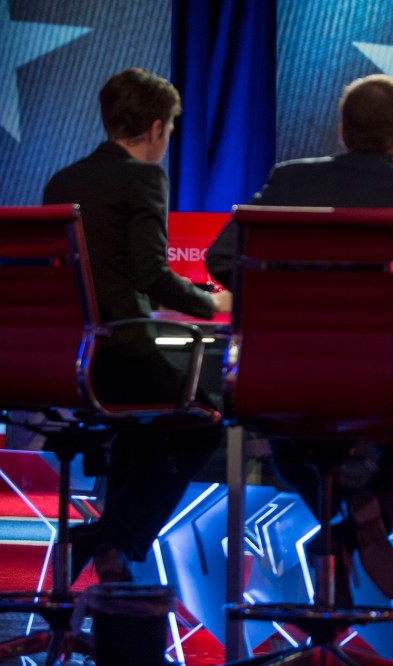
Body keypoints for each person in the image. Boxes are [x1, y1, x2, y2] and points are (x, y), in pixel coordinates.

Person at [205, 74, 393, 602]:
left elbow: (220, 260)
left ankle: (344, 528)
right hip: (380, 386)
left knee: (295, 447)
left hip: (280, 382)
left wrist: (280, 301)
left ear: (342, 130)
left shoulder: (288, 181)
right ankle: (356, 525)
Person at [42, 67, 230, 582]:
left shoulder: (63, 180)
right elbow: (152, 273)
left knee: (142, 433)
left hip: (67, 363)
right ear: (154, 128)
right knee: (203, 425)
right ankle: (110, 538)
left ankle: (112, 555)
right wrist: (214, 304)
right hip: (121, 353)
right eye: (168, 130)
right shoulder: (144, 176)